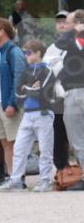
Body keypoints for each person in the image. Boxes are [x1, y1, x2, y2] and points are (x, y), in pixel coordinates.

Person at [0, 40, 56, 192]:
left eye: (28, 52)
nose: (26, 55)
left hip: (43, 114)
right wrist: (30, 89)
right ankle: (15, 180)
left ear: (38, 54)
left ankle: (45, 181)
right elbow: (18, 92)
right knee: (19, 148)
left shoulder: (47, 71)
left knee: (45, 149)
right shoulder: (27, 71)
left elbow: (42, 93)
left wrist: (27, 89)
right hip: (28, 114)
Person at [0, 18, 26, 187]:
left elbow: (20, 79)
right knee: (5, 143)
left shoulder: (14, 52)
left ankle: (19, 179)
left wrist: (14, 103)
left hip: (9, 104)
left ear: (2, 32)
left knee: (15, 143)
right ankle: (12, 178)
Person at [55, 9, 84, 190]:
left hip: (78, 92)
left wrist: (75, 30)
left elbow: (61, 42)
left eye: (70, 22)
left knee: (78, 138)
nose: (66, 25)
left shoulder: (78, 38)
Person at [45, 11, 72, 172]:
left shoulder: (77, 43)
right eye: (59, 22)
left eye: (64, 22)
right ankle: (62, 168)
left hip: (73, 93)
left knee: (75, 134)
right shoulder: (51, 48)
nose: (62, 25)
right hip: (56, 97)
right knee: (58, 134)